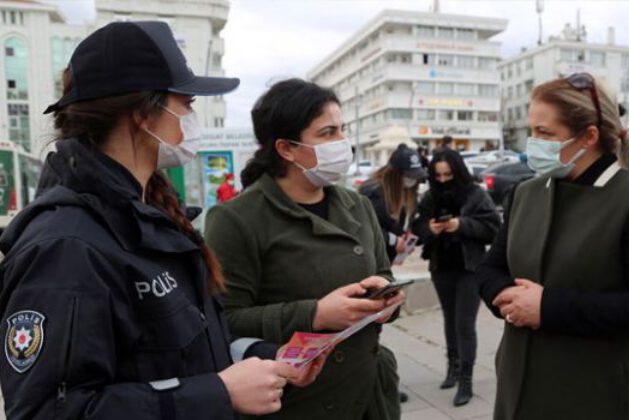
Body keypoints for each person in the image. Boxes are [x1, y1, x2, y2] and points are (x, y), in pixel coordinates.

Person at [0, 21, 327, 420]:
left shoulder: (151, 215)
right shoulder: (67, 245)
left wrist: (264, 357)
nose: (192, 117)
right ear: (142, 113)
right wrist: (217, 393)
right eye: (186, 103)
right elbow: (45, 410)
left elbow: (175, 351)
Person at [477, 72, 629, 420]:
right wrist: (505, 298)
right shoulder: (526, 193)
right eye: (532, 131)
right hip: (518, 385)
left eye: (545, 133)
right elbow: (490, 267)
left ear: (588, 137)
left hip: (591, 391)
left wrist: (549, 307)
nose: (534, 142)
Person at [204, 78, 406, 420]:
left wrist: (386, 302)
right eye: (327, 133)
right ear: (286, 148)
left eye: (343, 130)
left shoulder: (357, 206)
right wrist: (315, 314)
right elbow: (224, 319)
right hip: (299, 401)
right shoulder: (236, 219)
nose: (342, 143)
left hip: (369, 392)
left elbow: (382, 273)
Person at [413, 148, 500, 406]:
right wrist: (428, 228)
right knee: (450, 319)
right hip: (441, 266)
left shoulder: (475, 194)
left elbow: (494, 228)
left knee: (464, 322)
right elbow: (416, 227)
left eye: (447, 174)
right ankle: (452, 367)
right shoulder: (430, 196)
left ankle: (466, 379)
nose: (442, 180)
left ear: (457, 171)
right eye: (437, 175)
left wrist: (461, 225)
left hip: (470, 267)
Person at [359, 144, 427, 263]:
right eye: (408, 176)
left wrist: (406, 241)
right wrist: (393, 240)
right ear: (395, 174)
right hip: (366, 259)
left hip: (386, 259)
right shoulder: (373, 192)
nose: (412, 181)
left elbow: (402, 225)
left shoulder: (408, 193)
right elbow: (364, 227)